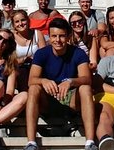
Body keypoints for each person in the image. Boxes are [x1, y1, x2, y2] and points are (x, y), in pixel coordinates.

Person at [23, 18, 98, 150]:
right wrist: (43, 80)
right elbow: (31, 80)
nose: (58, 40)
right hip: (48, 100)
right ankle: (31, 143)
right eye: (54, 36)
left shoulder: (78, 53)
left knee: (85, 88)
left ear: (68, 36)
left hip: (71, 100)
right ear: (49, 37)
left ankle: (90, 142)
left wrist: (71, 81)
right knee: (34, 88)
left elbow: (87, 78)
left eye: (62, 36)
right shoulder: (41, 53)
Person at [11, 9, 46, 91]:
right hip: (18, 70)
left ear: (28, 20)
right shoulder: (11, 37)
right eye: (17, 22)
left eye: (23, 20)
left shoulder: (37, 34)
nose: (20, 24)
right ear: (13, 25)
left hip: (36, 69)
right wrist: (22, 60)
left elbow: (44, 55)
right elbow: (8, 59)